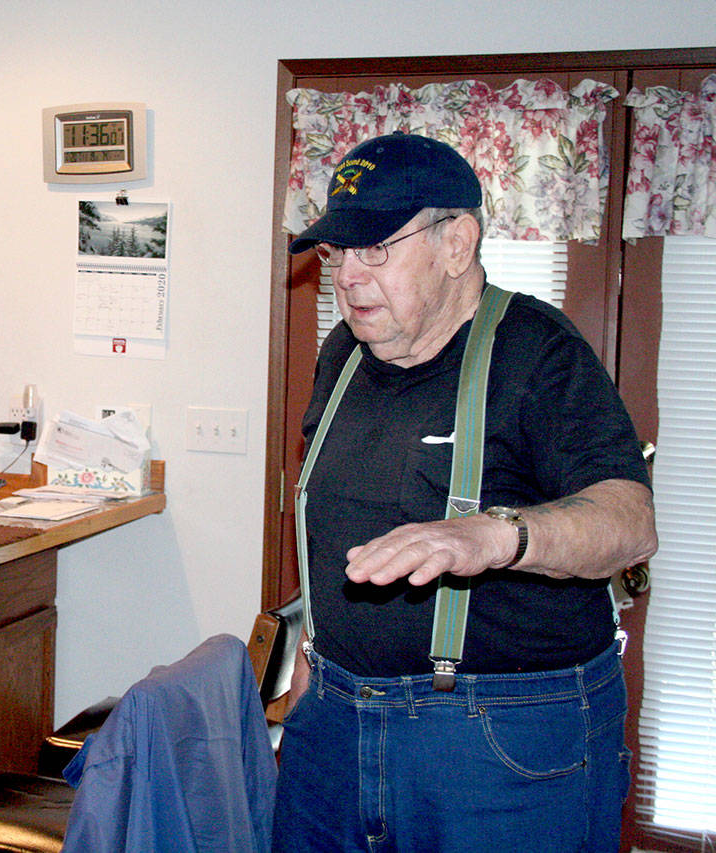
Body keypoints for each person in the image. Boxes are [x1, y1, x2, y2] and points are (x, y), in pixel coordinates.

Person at [272, 133, 658, 852]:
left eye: (375, 249)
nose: (349, 278)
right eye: (335, 254)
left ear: (457, 242)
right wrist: (313, 665)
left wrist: (490, 535)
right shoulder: (342, 354)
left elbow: (631, 521)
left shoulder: (539, 352)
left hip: (500, 739)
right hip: (334, 719)